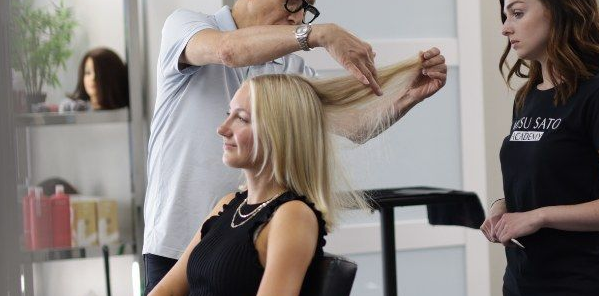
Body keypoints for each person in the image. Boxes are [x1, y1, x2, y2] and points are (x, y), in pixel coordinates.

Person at [144, 0, 448, 293]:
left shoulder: (290, 68)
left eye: (308, 9)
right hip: (175, 244)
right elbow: (229, 51)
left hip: (250, 243)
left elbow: (352, 127)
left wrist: (405, 98)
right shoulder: (187, 26)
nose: (298, 16)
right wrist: (320, 34)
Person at [149, 57, 423, 296]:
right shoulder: (228, 205)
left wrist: (405, 98)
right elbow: (168, 290)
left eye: (241, 118)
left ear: (278, 132)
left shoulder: (291, 216)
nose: (222, 128)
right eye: (227, 114)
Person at [481, 0, 599, 296]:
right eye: (505, 16)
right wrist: (506, 206)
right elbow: (548, 181)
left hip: (581, 286)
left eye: (517, 13)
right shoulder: (528, 97)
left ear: (558, 11)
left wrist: (539, 216)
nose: (505, 28)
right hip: (522, 283)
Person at [61, 47, 129, 111]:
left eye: (99, 73)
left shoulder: (127, 113)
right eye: (88, 72)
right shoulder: (70, 107)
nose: (93, 78)